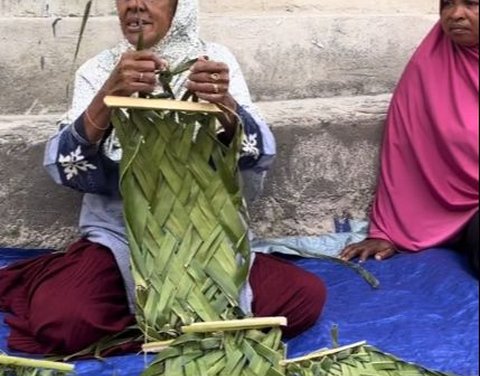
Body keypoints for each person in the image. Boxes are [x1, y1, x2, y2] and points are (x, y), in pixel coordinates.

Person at [0, 0, 327, 356]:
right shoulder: (100, 70)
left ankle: (161, 324)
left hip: (205, 241)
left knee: (304, 298)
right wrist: (108, 98)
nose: (135, 5)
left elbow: (256, 155)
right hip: (125, 240)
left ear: (180, 6)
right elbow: (66, 167)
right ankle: (189, 327)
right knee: (64, 320)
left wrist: (226, 105)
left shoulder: (214, 61)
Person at [340, 0, 479, 276]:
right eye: (447, 4)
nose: (455, 15)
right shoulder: (428, 68)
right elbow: (404, 154)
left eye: (471, 3)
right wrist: (387, 229)